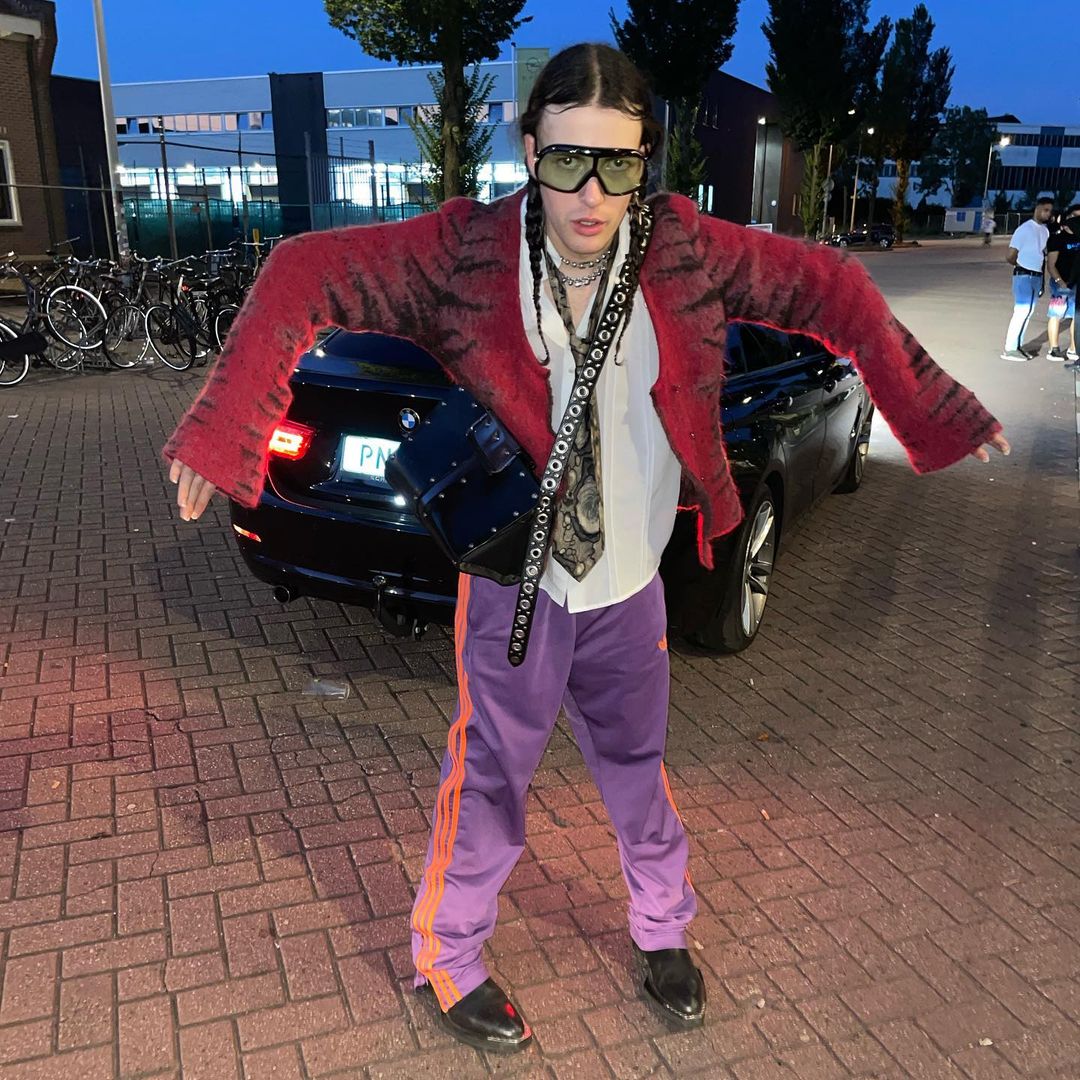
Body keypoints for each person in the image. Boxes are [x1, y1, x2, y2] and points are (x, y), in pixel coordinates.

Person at [162, 44, 1009, 1054]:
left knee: (638, 772)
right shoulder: (467, 253)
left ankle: (664, 930)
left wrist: (932, 406)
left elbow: (829, 286)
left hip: (630, 586)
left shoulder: (684, 252)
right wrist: (225, 431)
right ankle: (450, 954)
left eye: (618, 163)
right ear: (530, 150)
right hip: (512, 586)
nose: (592, 194)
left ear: (647, 157)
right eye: (568, 162)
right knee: (488, 780)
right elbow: (302, 273)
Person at [1001, 197, 1054, 361]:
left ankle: (1018, 346)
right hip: (1023, 275)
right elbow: (1010, 256)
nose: (1048, 214)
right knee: (1021, 311)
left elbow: (1042, 256)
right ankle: (1010, 349)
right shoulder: (1024, 229)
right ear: (1037, 209)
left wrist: (1042, 280)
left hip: (1036, 276)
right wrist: (1021, 266)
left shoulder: (1045, 231)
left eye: (1050, 211)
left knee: (1028, 312)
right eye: (1046, 210)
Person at [1046, 204, 1080, 361]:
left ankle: (1073, 348)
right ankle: (1053, 350)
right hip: (1060, 284)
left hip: (1076, 284)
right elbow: (1051, 265)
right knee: (1056, 315)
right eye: (1075, 216)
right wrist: (1061, 282)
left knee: (1075, 316)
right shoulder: (1057, 238)